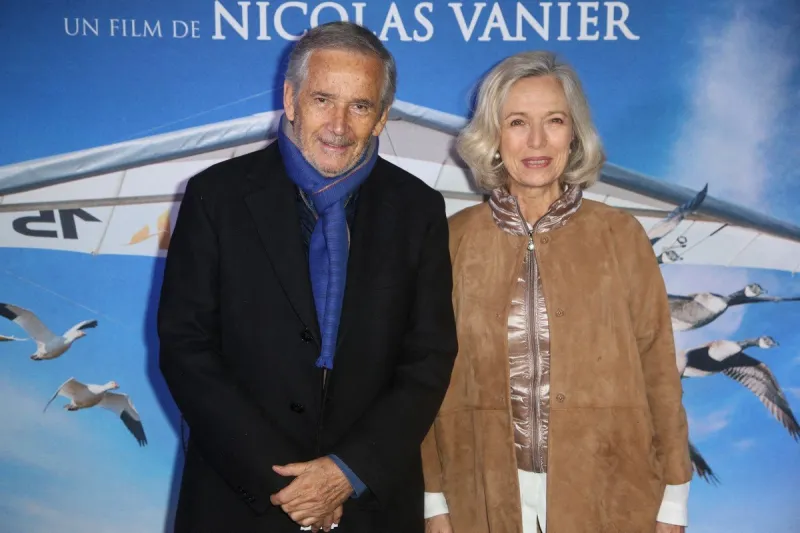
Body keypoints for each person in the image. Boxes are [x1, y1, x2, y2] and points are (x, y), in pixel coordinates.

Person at [158, 21, 458, 533]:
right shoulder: (216, 197)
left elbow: (428, 357)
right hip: (239, 500)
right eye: (323, 99)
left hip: (370, 505)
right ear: (291, 99)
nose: (338, 125)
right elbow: (187, 349)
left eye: (360, 106)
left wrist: (346, 473)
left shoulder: (419, 209)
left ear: (382, 116)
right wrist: (287, 485)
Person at [421, 51, 692, 533]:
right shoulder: (450, 240)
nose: (538, 141)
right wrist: (432, 500)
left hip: (612, 489)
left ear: (575, 133)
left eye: (555, 121)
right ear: (494, 136)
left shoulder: (620, 236)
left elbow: (659, 370)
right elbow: (424, 374)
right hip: (478, 490)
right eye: (518, 122)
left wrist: (674, 499)